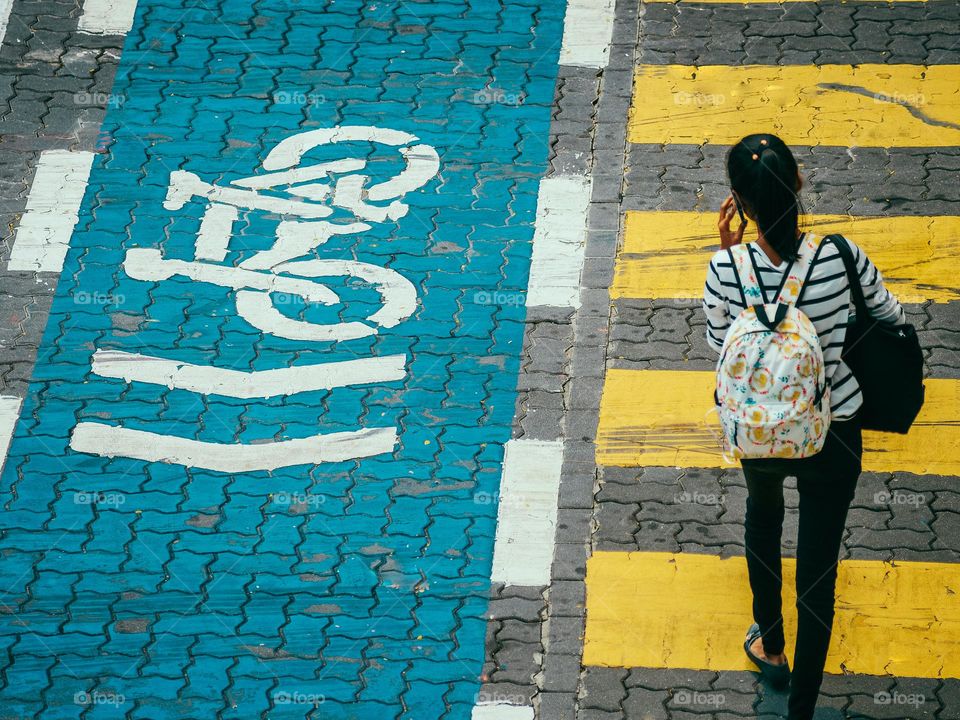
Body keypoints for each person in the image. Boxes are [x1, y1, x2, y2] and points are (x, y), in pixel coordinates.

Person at [702, 133, 905, 720]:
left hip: (760, 433)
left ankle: (770, 641)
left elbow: (722, 349)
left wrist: (728, 254)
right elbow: (890, 317)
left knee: (763, 520)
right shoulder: (841, 255)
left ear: (739, 202)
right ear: (799, 184)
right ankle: (803, 709)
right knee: (818, 572)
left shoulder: (725, 268)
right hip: (833, 428)